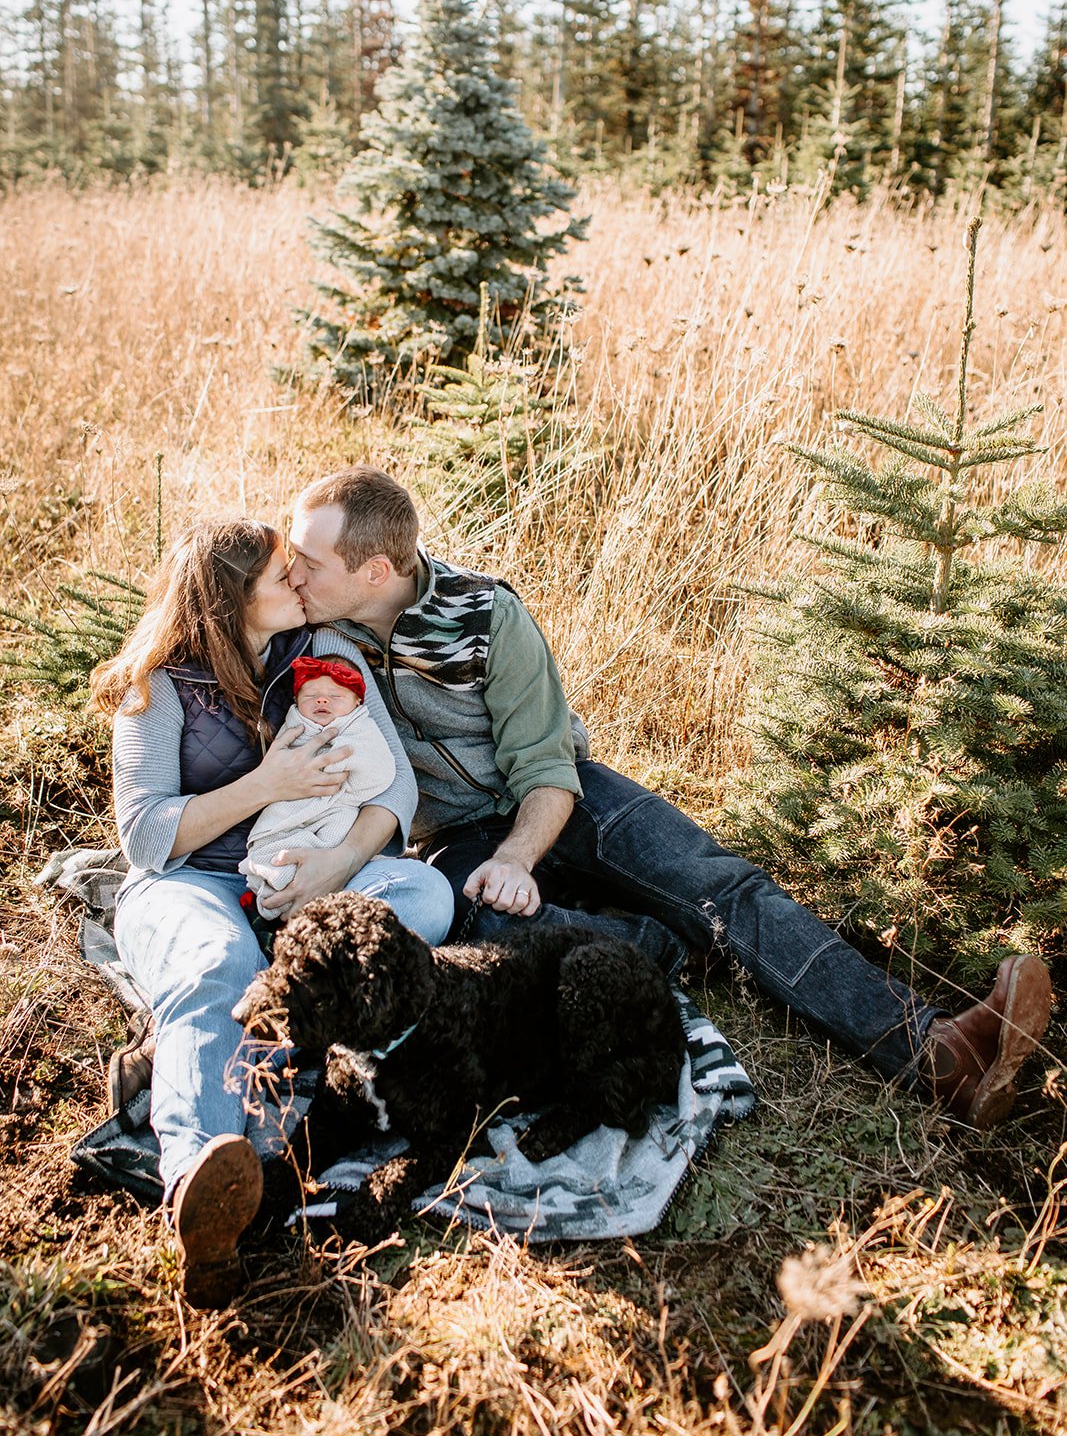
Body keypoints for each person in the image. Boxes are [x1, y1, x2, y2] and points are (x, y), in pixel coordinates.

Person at [286, 465, 1053, 1136]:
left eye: (309, 561)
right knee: (486, 927)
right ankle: (667, 946)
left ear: (377, 571)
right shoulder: (317, 632)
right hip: (454, 831)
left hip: (563, 796)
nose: (293, 573)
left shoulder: (486, 615)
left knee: (719, 885)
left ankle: (936, 1052)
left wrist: (522, 855)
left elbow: (547, 765)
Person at [89, 518, 454, 1308]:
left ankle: (200, 1056)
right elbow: (147, 837)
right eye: (279, 578)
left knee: (424, 897)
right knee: (220, 963)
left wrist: (337, 865)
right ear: (228, 602)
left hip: (310, 879)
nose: (300, 584)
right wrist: (265, 786)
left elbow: (394, 788)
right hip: (192, 883)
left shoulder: (326, 655)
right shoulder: (157, 686)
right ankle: (201, 1181)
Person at [239, 654, 396, 913]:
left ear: (358, 702)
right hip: (291, 804)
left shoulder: (361, 725)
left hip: (337, 806)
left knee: (330, 838)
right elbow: (281, 758)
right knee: (276, 846)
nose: (322, 700)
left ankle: (287, 899)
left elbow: (380, 766)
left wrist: (331, 764)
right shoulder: (295, 723)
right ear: (296, 700)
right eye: (311, 695)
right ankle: (267, 891)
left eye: (336, 696)